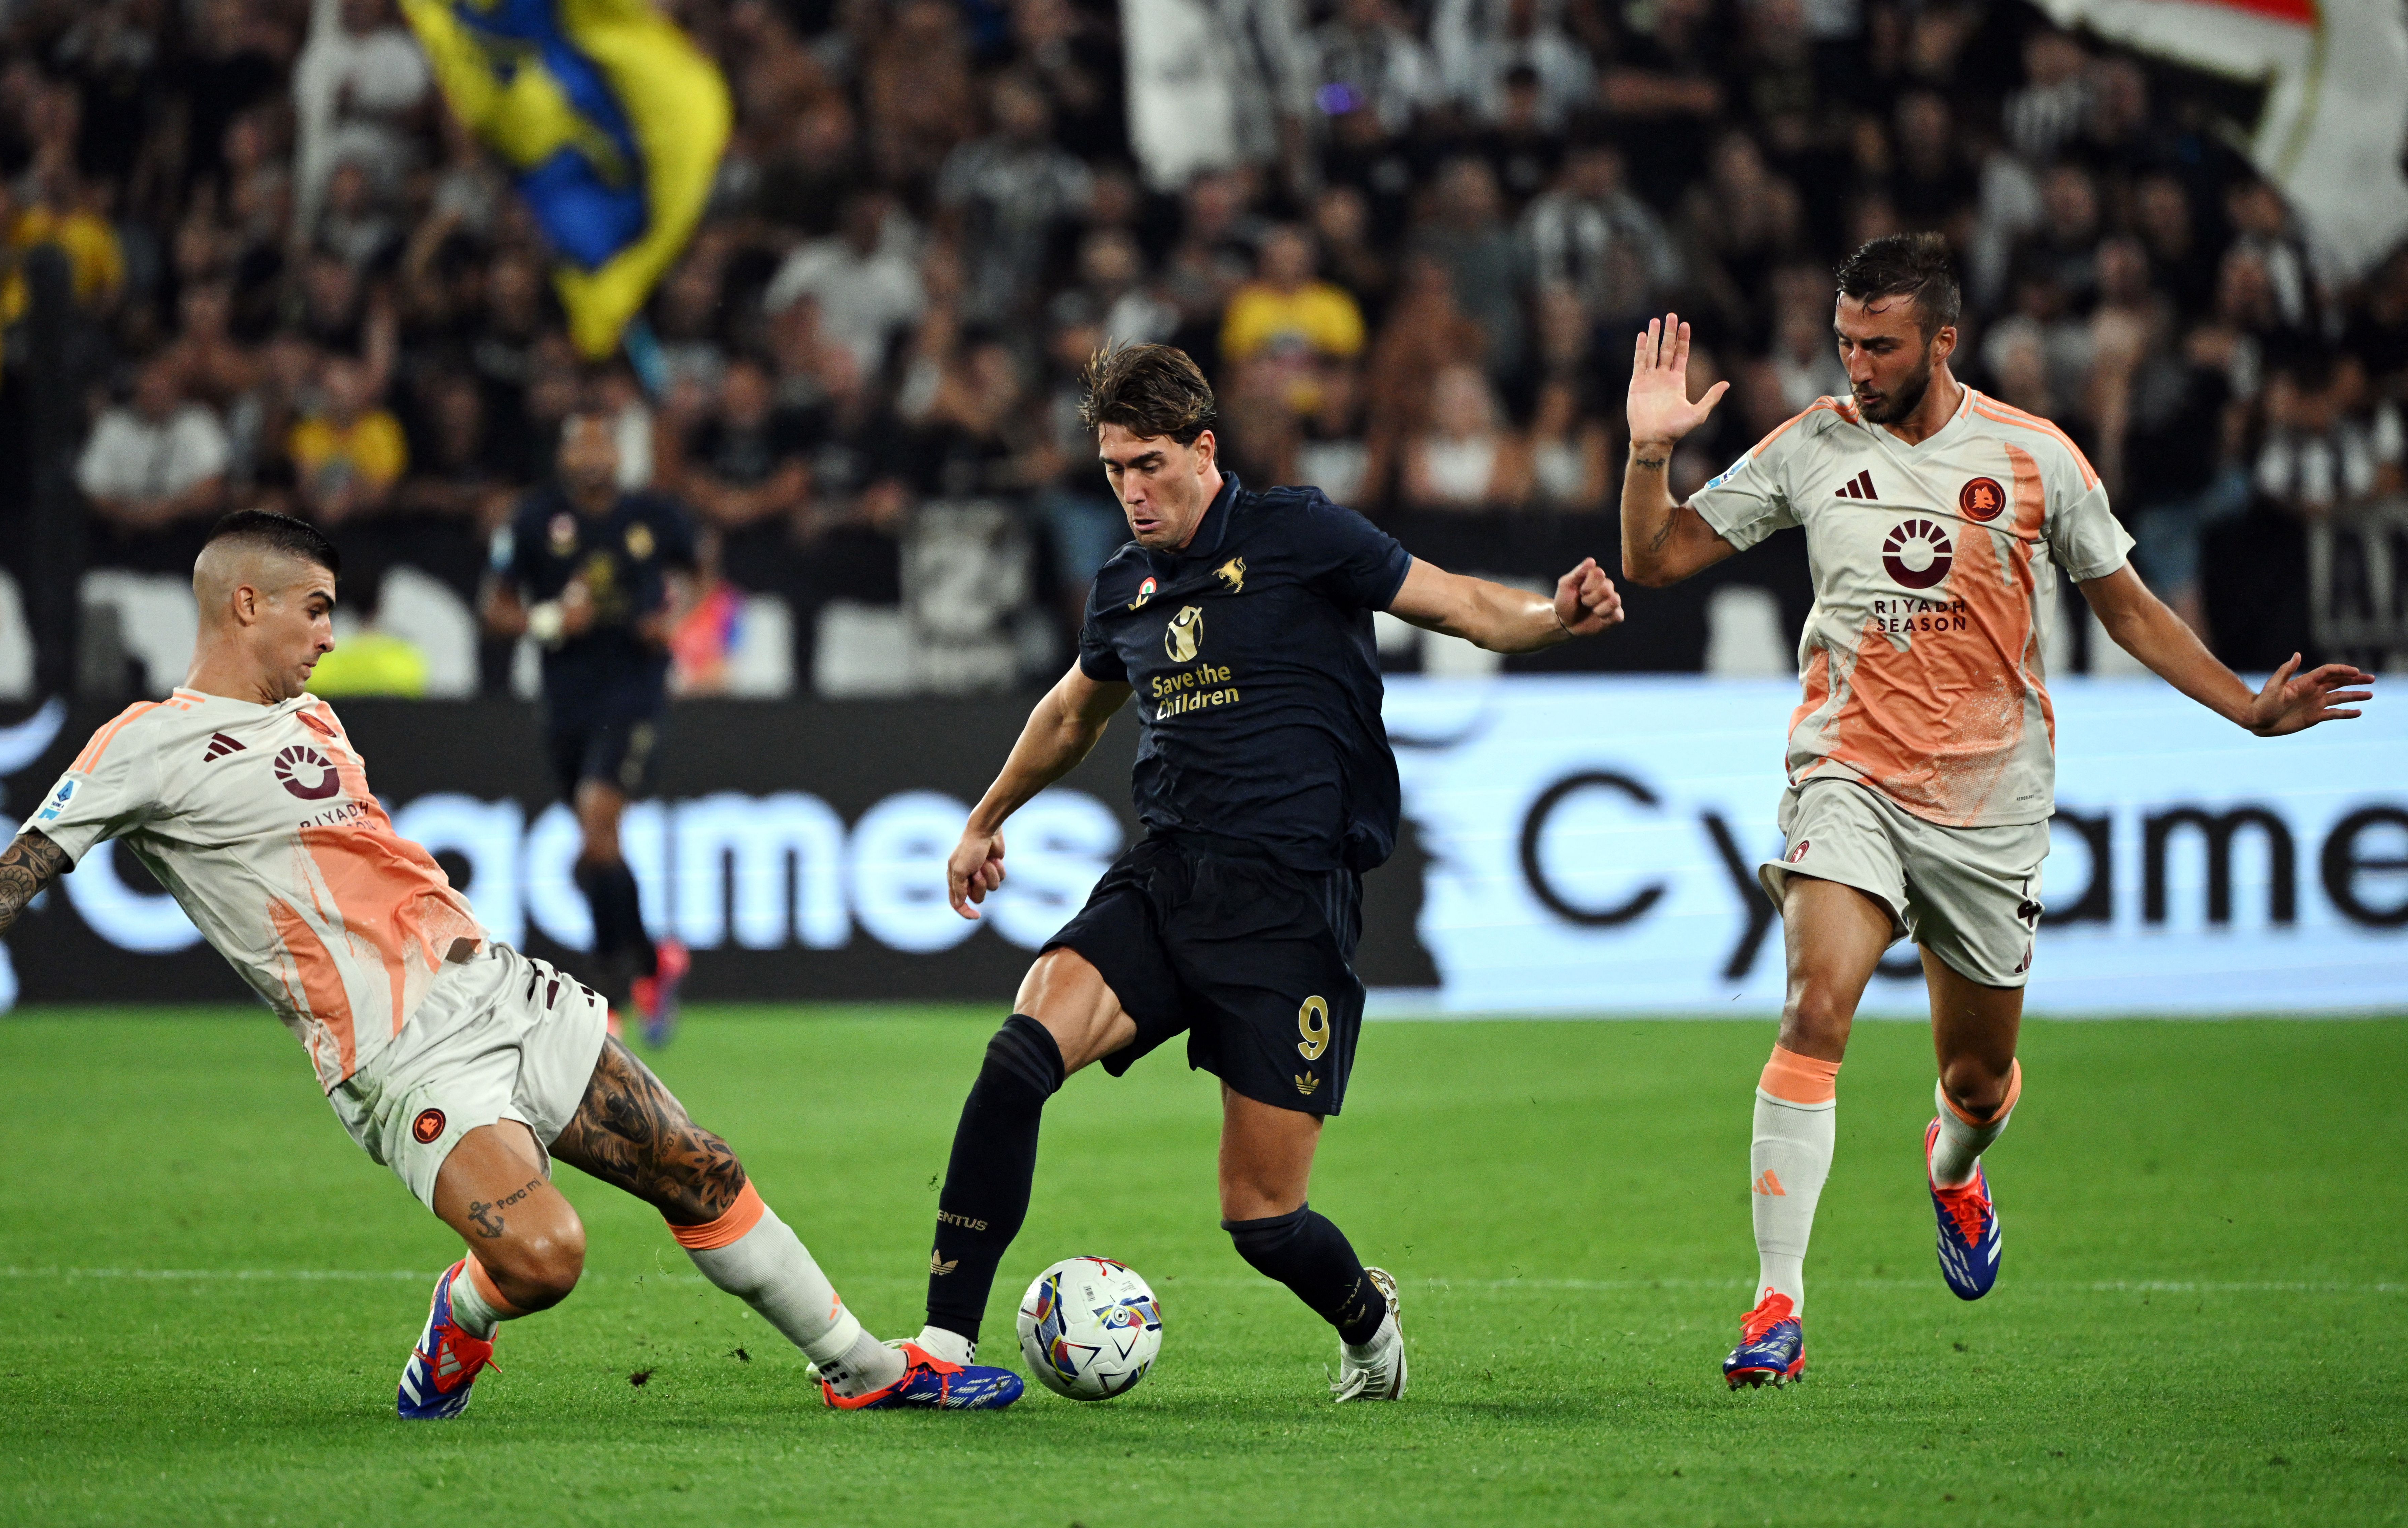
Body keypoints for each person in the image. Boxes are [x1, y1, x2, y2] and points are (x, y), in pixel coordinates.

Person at [0, 510, 1024, 1416]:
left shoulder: (312, 714)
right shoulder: (141, 747)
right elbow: (21, 865)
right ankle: (461, 1315)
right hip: (395, 1051)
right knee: (547, 1257)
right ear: (244, 605)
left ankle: (859, 1368)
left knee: (699, 1166)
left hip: (495, 982)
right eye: (315, 607)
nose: (332, 631)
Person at [1616, 235, 2373, 1390]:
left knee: (1973, 1078)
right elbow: (1655, 557)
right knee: (1813, 1006)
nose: (1855, 364)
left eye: (1878, 345)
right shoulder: (1810, 444)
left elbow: (2124, 609)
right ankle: (1776, 1300)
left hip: (1987, 801)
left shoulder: (2031, 458)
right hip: (1847, 774)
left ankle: (1953, 1163)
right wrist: (1644, 454)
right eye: (1843, 342)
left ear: (1941, 340)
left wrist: (2243, 708)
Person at [879, 344, 1625, 1407]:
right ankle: (941, 1353)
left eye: (1147, 464)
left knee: (1263, 1220)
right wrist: (984, 819)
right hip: (1167, 877)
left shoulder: (1299, 533)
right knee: (1015, 1059)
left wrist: (1553, 616)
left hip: (1288, 905)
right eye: (1111, 470)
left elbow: (1457, 603)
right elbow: (1067, 715)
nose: (1130, 490)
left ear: (1203, 450)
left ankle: (1366, 1317)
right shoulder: (1123, 586)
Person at [485, 413, 696, 1046]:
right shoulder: (531, 521)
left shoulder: (653, 516)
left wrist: (673, 617)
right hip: (566, 699)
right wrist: (551, 621)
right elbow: (495, 607)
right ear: (565, 455)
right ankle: (655, 964)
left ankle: (608, 991)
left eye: (602, 443)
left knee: (598, 822)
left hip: (634, 691)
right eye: (580, 444)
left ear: (617, 452)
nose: (592, 455)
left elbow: (700, 568)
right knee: (596, 847)